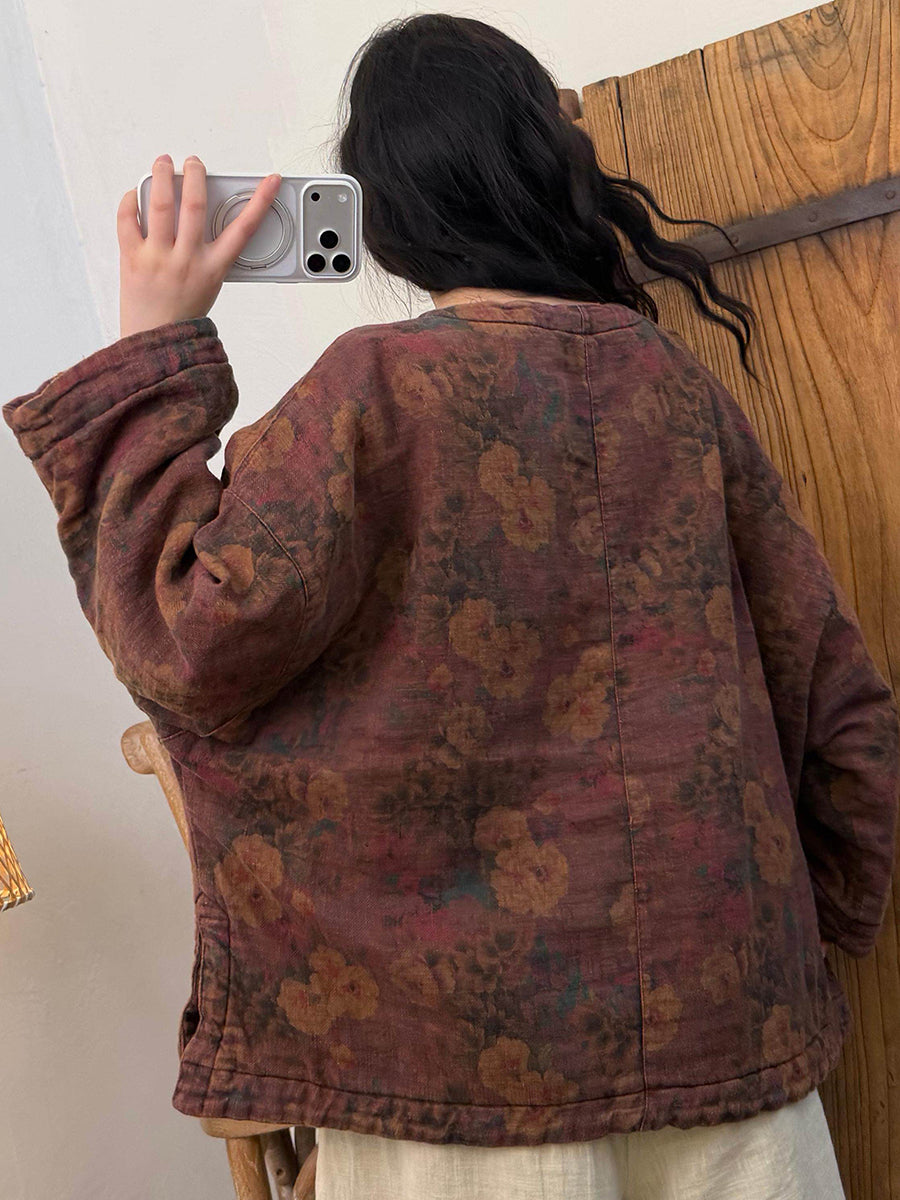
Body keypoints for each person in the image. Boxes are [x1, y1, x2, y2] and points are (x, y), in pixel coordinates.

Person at [4, 13, 897, 1200]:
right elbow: (837, 703)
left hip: (450, 1085)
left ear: (385, 215)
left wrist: (153, 342)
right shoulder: (679, 396)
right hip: (729, 1046)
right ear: (550, 168)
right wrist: (793, 939)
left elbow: (188, 642)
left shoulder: (372, 393)